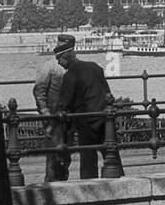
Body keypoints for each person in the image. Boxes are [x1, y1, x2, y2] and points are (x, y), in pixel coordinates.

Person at [58, 42, 113, 180]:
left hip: (86, 120)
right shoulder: (95, 67)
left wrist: (63, 122)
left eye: (59, 59)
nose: (58, 63)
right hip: (104, 116)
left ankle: (90, 185)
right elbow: (107, 92)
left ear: (66, 57)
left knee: (88, 157)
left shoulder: (70, 75)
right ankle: (117, 176)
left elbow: (65, 103)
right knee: (111, 153)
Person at [33, 34, 74, 181]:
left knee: (65, 155)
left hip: (66, 117)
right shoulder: (49, 67)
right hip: (54, 118)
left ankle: (60, 182)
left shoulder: (55, 66)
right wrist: (46, 114)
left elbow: (39, 92)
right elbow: (39, 92)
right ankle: (52, 184)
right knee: (54, 156)